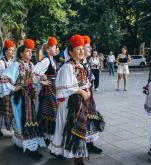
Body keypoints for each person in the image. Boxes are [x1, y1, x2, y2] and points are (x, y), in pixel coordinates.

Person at [0, 39, 46, 158]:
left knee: (28, 120)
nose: (30, 53)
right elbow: (3, 78)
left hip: (29, 97)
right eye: (27, 51)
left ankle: (22, 143)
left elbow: (35, 77)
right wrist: (14, 87)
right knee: (21, 121)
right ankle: (29, 148)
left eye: (30, 51)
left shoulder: (30, 65)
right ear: (21, 53)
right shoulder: (16, 64)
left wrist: (42, 78)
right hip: (19, 98)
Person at [49, 34, 91, 165]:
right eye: (77, 49)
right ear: (70, 52)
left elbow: (85, 82)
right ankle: (76, 158)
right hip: (69, 105)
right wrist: (82, 92)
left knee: (76, 128)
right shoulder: (67, 67)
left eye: (81, 48)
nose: (81, 51)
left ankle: (73, 154)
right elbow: (65, 88)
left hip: (79, 103)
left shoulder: (80, 66)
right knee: (70, 128)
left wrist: (86, 90)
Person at [33, 37, 58, 145]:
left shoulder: (52, 60)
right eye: (54, 47)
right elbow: (34, 71)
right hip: (48, 90)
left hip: (52, 89)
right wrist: (42, 81)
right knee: (49, 112)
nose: (56, 49)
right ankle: (46, 136)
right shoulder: (46, 60)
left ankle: (47, 136)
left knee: (50, 112)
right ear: (48, 49)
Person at [83, 36, 104, 154]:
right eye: (87, 46)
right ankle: (82, 145)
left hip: (89, 95)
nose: (90, 48)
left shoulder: (86, 62)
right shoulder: (79, 63)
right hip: (82, 96)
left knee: (91, 117)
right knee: (84, 119)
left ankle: (90, 143)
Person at [0, 39, 15, 135]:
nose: (12, 51)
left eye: (13, 49)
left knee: (8, 109)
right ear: (6, 51)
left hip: (10, 89)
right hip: (2, 90)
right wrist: (7, 79)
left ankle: (9, 126)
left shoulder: (12, 62)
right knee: (0, 109)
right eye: (10, 49)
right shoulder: (0, 63)